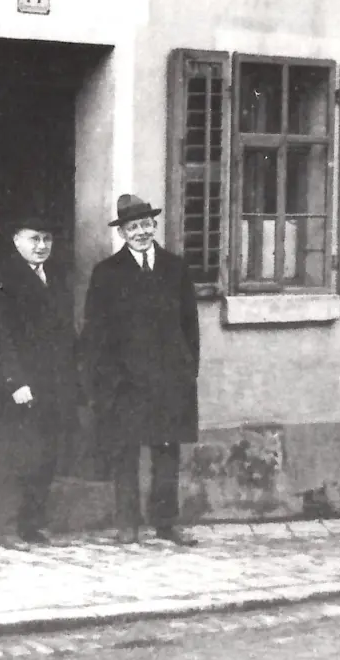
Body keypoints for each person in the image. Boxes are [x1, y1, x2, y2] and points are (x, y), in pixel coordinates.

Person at [81, 194, 201, 546]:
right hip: (126, 383)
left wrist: (186, 370)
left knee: (167, 453)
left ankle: (166, 522)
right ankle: (127, 524)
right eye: (133, 227)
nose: (141, 232)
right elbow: (96, 332)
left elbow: (189, 326)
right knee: (125, 452)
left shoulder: (175, 268)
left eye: (146, 225)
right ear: (122, 233)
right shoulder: (107, 273)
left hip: (168, 380)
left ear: (154, 226)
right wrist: (108, 380)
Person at [0, 213, 79, 545]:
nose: (42, 246)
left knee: (45, 455)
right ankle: (7, 528)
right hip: (18, 385)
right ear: (17, 240)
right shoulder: (2, 277)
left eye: (47, 239)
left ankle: (33, 524)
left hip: (52, 382)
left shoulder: (55, 277)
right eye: (34, 239)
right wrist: (15, 382)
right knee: (16, 456)